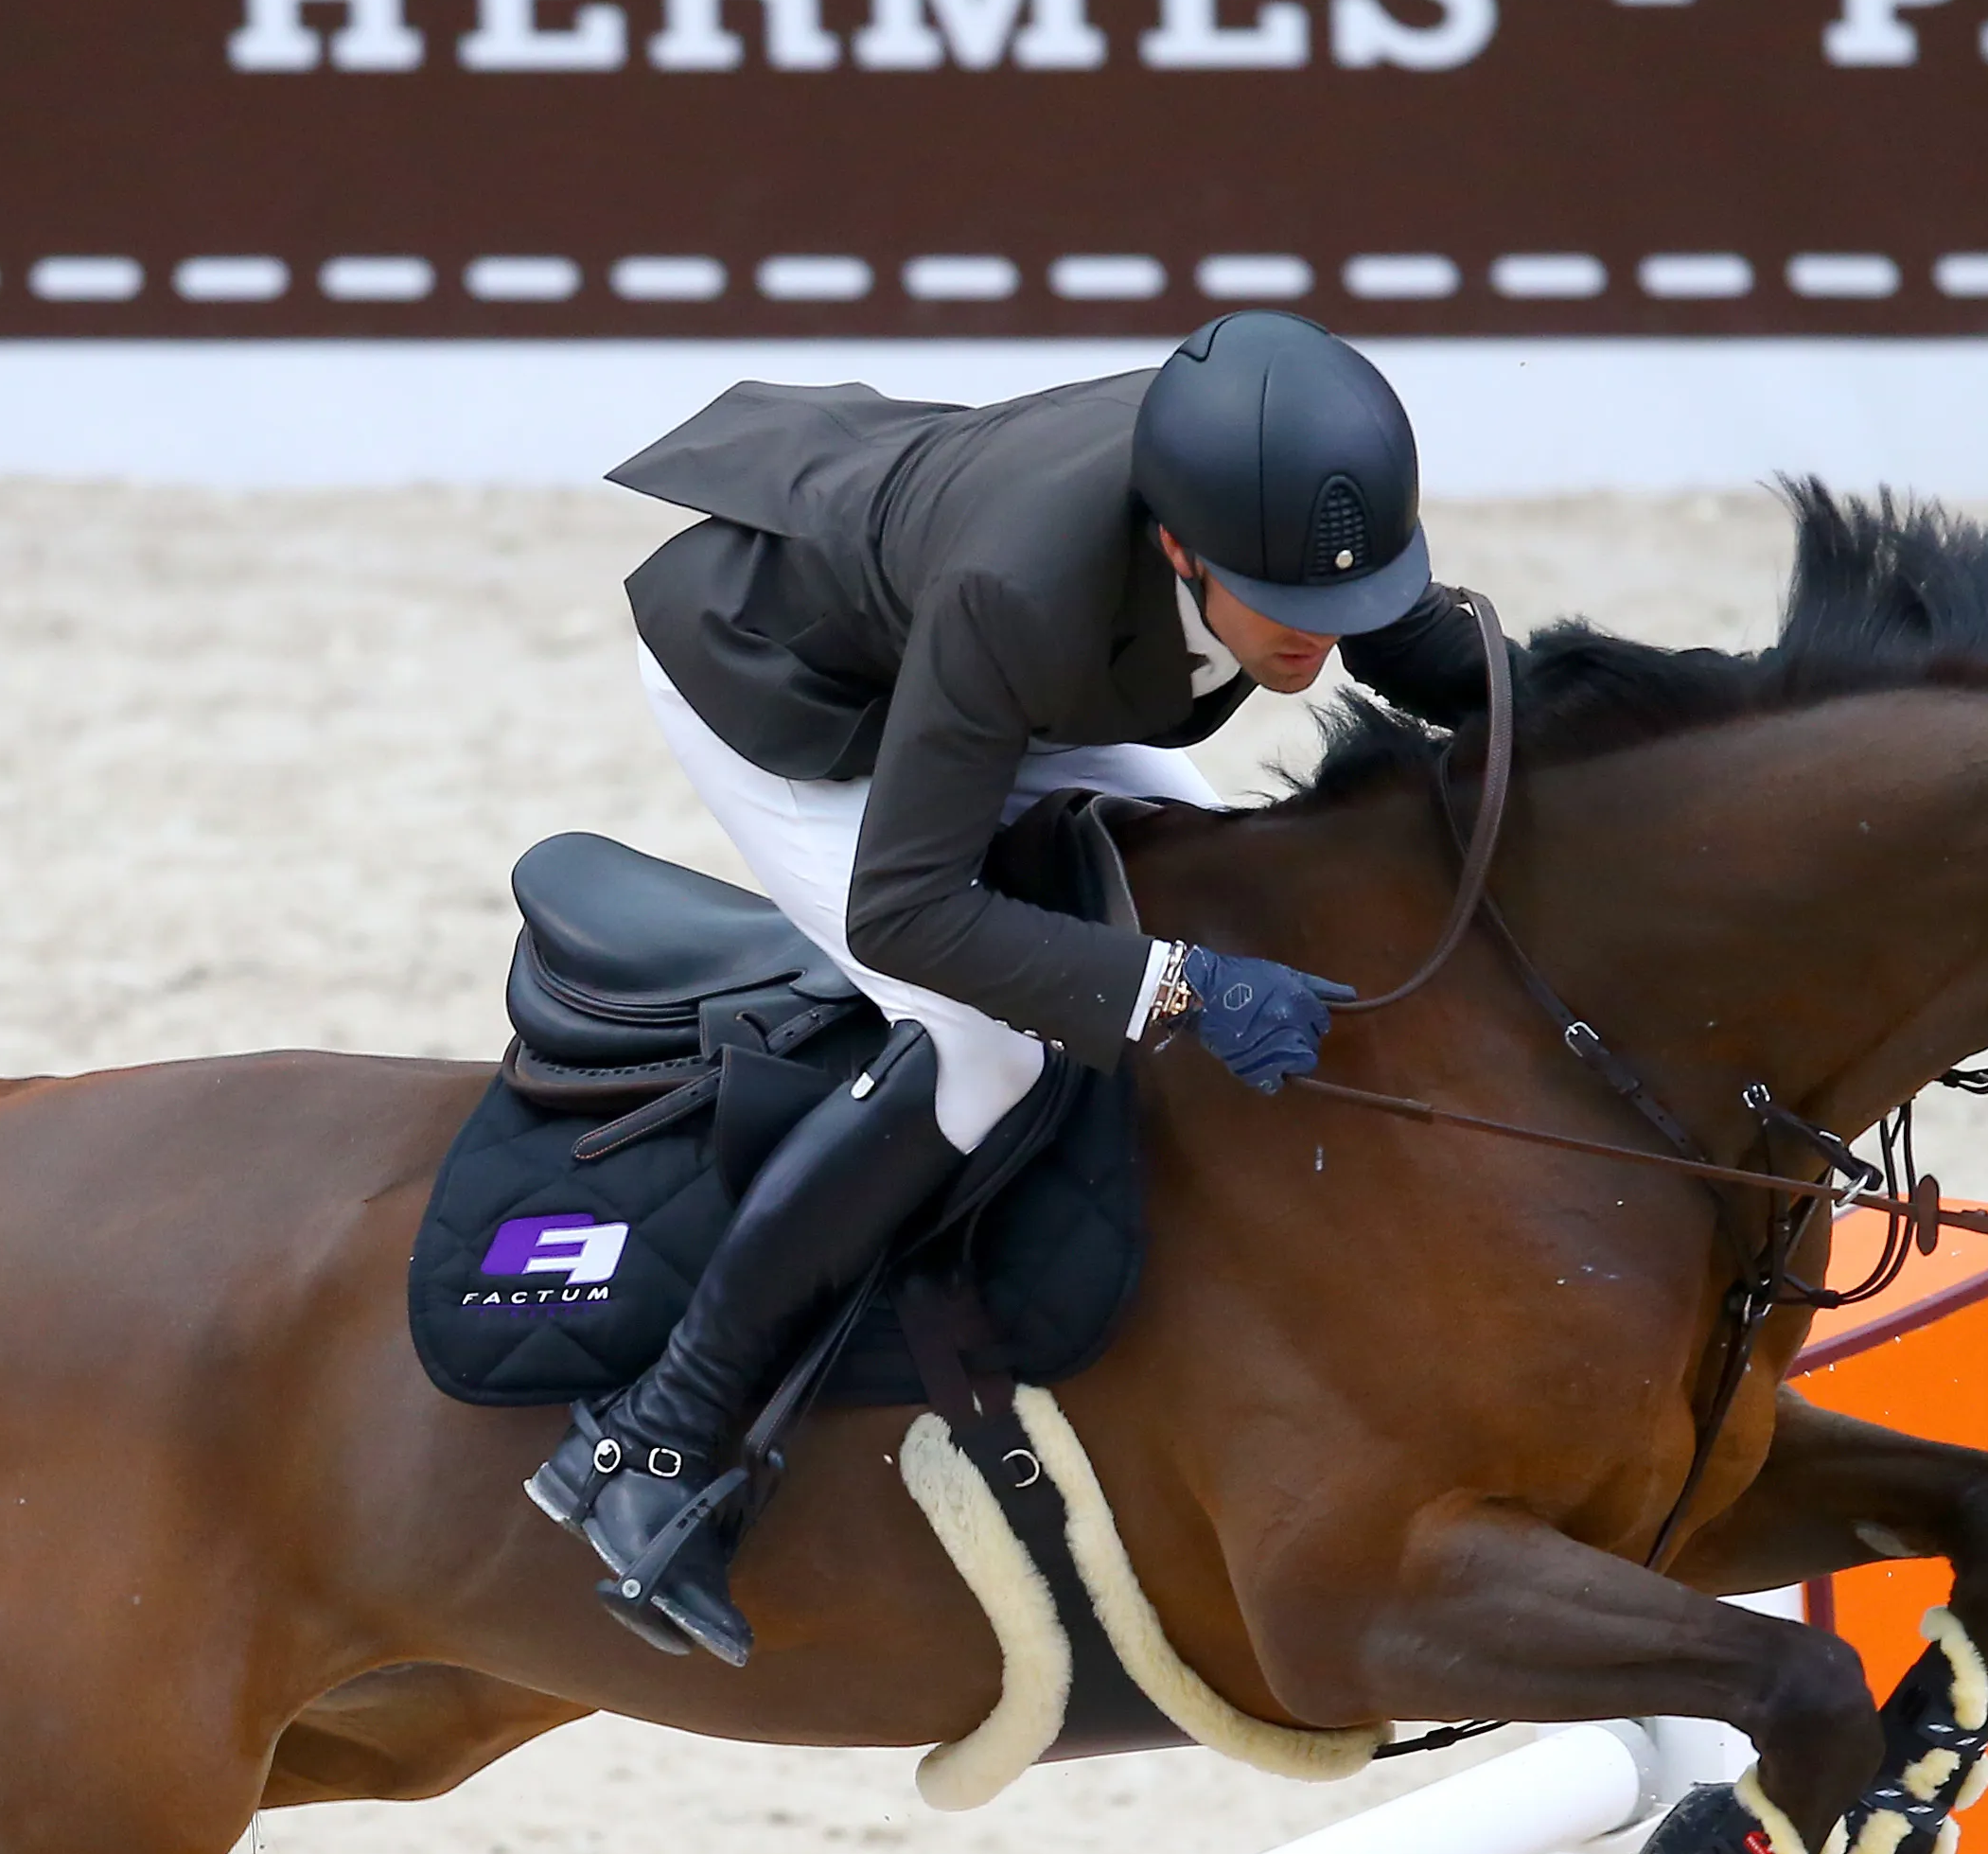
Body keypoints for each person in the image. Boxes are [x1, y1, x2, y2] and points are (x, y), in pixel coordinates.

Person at [531, 310, 1502, 1663]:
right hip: (795, 696)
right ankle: (656, 1433)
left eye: (1342, 603)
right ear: (1180, 547)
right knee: (984, 1043)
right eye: (1287, 607)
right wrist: (1183, 990)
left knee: (1225, 873)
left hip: (988, 679)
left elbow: (1436, 660)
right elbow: (907, 910)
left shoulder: (1279, 510)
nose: (1319, 642)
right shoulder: (1023, 587)